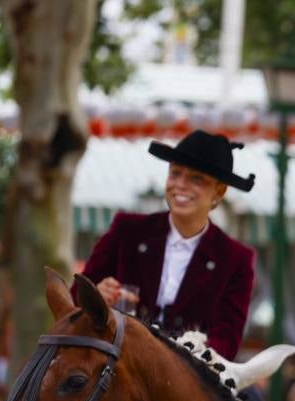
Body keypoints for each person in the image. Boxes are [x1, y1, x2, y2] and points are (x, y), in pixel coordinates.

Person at [83, 130, 257, 358]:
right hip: (115, 369)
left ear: (219, 191)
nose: (180, 185)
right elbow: (75, 297)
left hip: (188, 381)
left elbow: (227, 341)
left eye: (196, 178)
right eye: (175, 173)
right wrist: (96, 296)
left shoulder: (236, 259)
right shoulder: (127, 230)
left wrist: (191, 354)